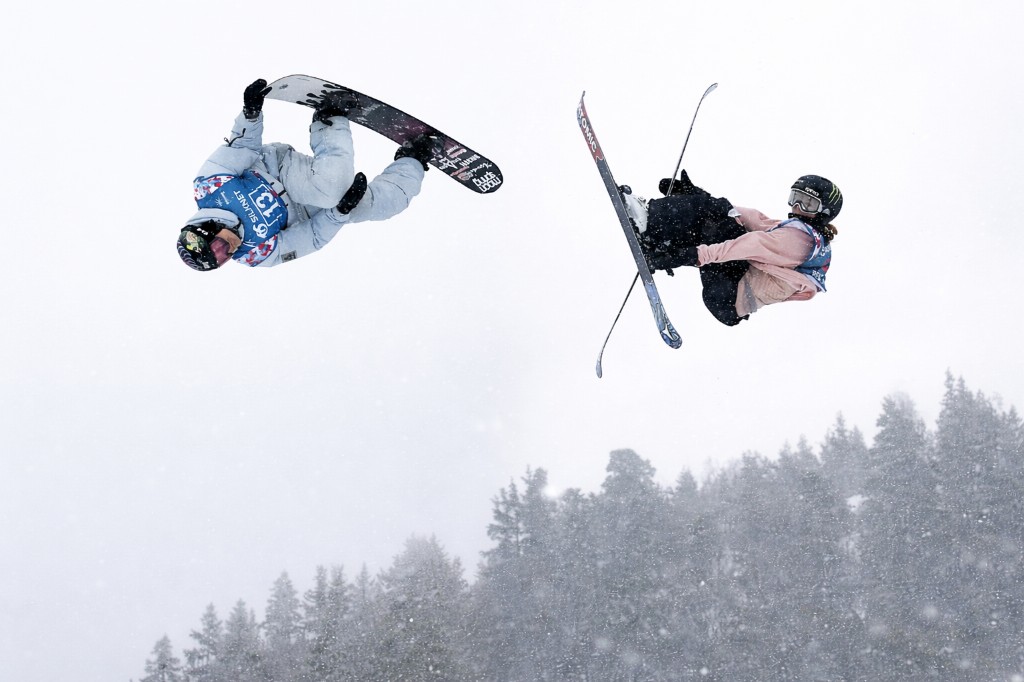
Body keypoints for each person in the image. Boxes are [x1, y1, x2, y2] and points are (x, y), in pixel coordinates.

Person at [177, 79, 440, 270]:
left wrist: (250, 114)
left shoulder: (210, 187)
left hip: (279, 171)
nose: (230, 252)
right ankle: (414, 156)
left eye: (220, 248)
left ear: (207, 230)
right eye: (224, 259)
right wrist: (341, 212)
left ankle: (329, 117)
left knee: (330, 189)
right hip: (309, 212)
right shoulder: (254, 254)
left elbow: (242, 147)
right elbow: (312, 237)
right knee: (384, 206)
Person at [622, 171, 842, 326]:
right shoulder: (808, 240)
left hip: (729, 293)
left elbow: (750, 244)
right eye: (796, 198)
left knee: (717, 223)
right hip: (728, 303)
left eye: (808, 204)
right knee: (715, 216)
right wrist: (698, 196)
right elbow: (750, 218)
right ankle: (659, 238)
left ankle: (647, 219)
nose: (798, 207)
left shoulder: (800, 240)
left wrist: (691, 255)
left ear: (824, 212)